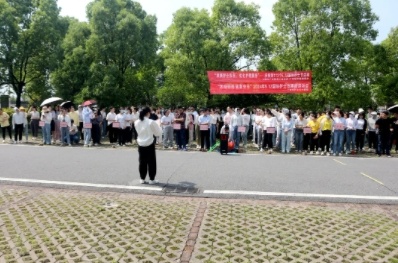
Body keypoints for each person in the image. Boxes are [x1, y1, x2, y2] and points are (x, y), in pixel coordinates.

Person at [135, 107, 163, 185]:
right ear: (148, 113)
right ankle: (151, 179)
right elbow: (158, 133)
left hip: (140, 143)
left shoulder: (136, 122)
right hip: (149, 143)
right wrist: (158, 124)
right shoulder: (151, 122)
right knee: (151, 162)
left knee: (142, 161)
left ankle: (142, 178)